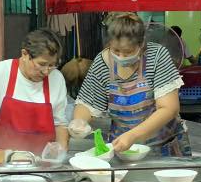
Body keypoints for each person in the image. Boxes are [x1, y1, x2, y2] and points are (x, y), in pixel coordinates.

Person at [69, 12, 190, 156]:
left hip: (165, 148)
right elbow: (88, 103)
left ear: (141, 44)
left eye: (127, 52)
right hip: (122, 149)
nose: (121, 57)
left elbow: (169, 108)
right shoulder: (102, 62)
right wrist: (79, 121)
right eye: (116, 50)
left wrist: (133, 135)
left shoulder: (157, 56)